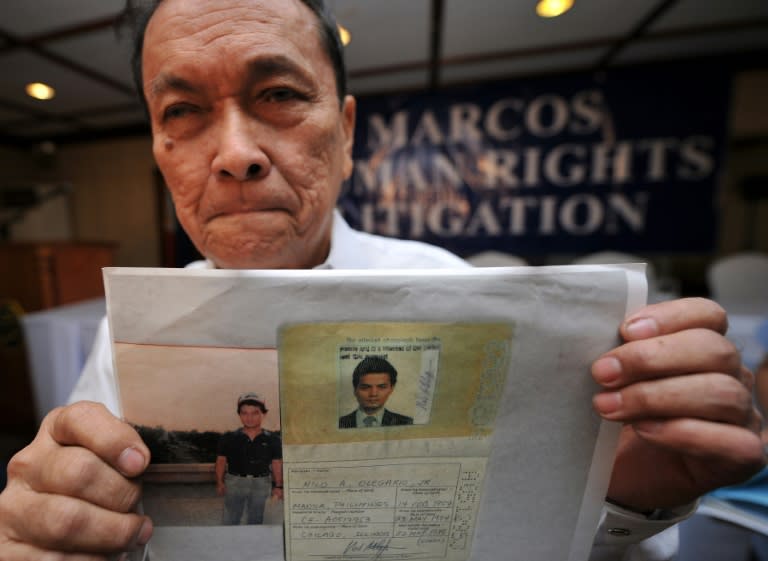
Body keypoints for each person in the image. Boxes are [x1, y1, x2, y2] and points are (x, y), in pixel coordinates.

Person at [0, 0, 762, 560]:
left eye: (280, 95)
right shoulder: (130, 331)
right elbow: (103, 521)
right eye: (183, 110)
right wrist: (55, 524)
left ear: (347, 131)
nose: (234, 152)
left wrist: (632, 492)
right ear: (160, 151)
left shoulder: (455, 295)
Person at [216, 393, 282, 525]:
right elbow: (221, 461)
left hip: (261, 483)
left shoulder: (273, 439)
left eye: (254, 413)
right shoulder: (229, 437)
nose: (249, 417)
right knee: (230, 521)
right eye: (244, 413)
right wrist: (220, 482)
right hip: (234, 482)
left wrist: (279, 486)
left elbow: (276, 463)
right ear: (239, 415)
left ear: (263, 414)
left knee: (256, 521)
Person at [338, 356, 413, 428]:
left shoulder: (408, 423)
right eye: (365, 387)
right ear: (355, 389)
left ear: (391, 389)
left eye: (382, 387)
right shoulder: (339, 424)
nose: (373, 394)